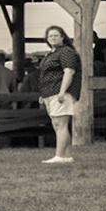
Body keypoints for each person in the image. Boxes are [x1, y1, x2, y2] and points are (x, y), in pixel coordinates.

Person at [36, 25, 81, 164]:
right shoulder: (51, 54)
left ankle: (59, 156)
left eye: (56, 35)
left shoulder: (66, 52)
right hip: (49, 92)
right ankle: (66, 156)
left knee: (60, 124)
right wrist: (43, 94)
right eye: (50, 36)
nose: (53, 38)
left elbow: (69, 72)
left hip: (60, 92)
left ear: (62, 37)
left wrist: (62, 92)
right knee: (57, 124)